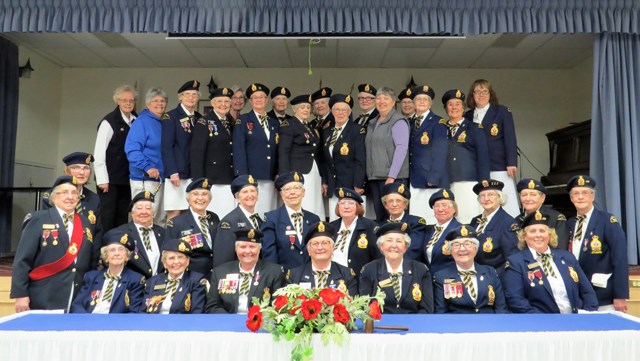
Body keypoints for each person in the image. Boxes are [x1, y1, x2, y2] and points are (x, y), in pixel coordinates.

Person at [11, 176, 97, 312]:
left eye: (74, 193)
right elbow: (22, 260)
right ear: (53, 197)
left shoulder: (85, 222)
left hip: (77, 295)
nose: (70, 197)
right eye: (65, 192)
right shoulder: (38, 219)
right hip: (44, 294)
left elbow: (89, 259)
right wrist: (21, 294)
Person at [503, 211, 598, 313]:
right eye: (533, 231)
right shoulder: (516, 262)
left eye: (542, 231)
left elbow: (587, 292)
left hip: (576, 319)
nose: (538, 235)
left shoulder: (567, 257)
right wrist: (545, 321)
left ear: (550, 235)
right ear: (524, 236)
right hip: (542, 324)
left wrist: (588, 314)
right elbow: (516, 300)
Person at [566, 175, 629, 312]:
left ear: (592, 197)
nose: (580, 197)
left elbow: (620, 259)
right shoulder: (570, 224)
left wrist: (620, 295)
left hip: (603, 294)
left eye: (585, 193)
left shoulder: (607, 221)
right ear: (571, 199)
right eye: (576, 194)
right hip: (578, 294)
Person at [465, 79, 519, 217]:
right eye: (477, 91)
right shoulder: (468, 116)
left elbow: (510, 138)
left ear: (490, 94)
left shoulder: (501, 111)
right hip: (475, 167)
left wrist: (511, 162)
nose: (481, 94)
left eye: (485, 91)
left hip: (498, 164)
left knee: (504, 201)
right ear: (472, 95)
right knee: (483, 201)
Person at [359, 222, 434, 313]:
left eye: (399, 241)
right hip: (381, 324)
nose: (394, 246)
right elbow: (364, 307)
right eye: (389, 241)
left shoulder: (421, 270)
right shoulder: (369, 270)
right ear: (381, 246)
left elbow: (427, 308)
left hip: (414, 324)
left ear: (405, 247)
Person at [41, 152, 103, 262]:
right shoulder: (52, 196)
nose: (81, 172)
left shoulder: (94, 198)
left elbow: (97, 232)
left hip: (85, 257)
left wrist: (94, 260)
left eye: (86, 168)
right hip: (58, 257)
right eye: (76, 167)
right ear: (66, 170)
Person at [206, 229, 286, 314]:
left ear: (259, 249)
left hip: (261, 323)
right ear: (236, 249)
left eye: (252, 247)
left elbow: (278, 306)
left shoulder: (274, 272)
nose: (247, 251)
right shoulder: (220, 272)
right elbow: (212, 306)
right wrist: (230, 320)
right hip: (228, 323)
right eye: (243, 247)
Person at [433, 225, 508, 313]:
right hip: (458, 325)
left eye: (467, 244)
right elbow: (441, 312)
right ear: (450, 250)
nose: (462, 249)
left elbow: (501, 307)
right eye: (456, 245)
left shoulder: (490, 272)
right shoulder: (441, 277)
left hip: (489, 324)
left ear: (475, 248)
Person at [70, 228, 145, 313]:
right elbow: (77, 305)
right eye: (112, 250)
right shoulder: (91, 277)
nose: (117, 253)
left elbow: (134, 312)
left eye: (121, 249)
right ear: (105, 256)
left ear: (127, 256)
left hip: (115, 324)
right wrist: (88, 321)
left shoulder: (136, 280)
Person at [442, 89, 490, 223]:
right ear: (446, 109)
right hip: (447, 181)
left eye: (457, 104)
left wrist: (484, 181)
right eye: (450, 104)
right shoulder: (440, 129)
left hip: (469, 181)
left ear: (463, 108)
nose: (454, 107)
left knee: (469, 218)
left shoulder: (475, 128)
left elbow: (483, 156)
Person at [94, 85, 137, 231]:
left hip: (126, 178)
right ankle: (104, 251)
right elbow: (99, 152)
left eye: (131, 100)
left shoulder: (136, 120)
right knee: (107, 217)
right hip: (109, 180)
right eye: (124, 100)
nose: (128, 103)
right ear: (117, 101)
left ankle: (119, 249)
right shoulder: (109, 121)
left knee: (122, 216)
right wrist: (102, 179)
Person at [233, 83, 279, 215]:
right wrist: (242, 175)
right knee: (252, 210)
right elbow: (239, 149)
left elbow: (276, 149)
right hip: (252, 175)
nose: (259, 100)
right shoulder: (243, 120)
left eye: (262, 97)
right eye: (255, 97)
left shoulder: (273, 122)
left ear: (267, 100)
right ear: (251, 101)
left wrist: (277, 172)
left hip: (270, 175)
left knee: (268, 209)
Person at [365, 86, 410, 222]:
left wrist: (391, 177)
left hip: (392, 179)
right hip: (375, 178)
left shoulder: (398, 121)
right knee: (381, 217)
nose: (381, 101)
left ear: (393, 101)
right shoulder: (373, 123)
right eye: (378, 98)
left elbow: (401, 149)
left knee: (394, 217)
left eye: (386, 98)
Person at [191, 86, 236, 217]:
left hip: (229, 176)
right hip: (212, 178)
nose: (223, 105)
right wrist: (199, 181)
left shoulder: (231, 122)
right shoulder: (204, 122)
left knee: (227, 214)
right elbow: (197, 153)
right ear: (213, 103)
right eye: (220, 101)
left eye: (227, 101)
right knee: (213, 215)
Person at [261, 171, 321, 271]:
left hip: (310, 277)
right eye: (287, 189)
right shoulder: (272, 218)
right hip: (284, 278)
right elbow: (269, 254)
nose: (292, 192)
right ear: (281, 194)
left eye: (296, 188)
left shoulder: (314, 219)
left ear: (303, 192)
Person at [278, 94, 325, 220]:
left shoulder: (310, 126)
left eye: (308, 108)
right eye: (302, 107)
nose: (306, 110)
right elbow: (283, 152)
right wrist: (284, 178)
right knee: (305, 201)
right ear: (294, 109)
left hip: (313, 170)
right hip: (298, 171)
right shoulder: (289, 125)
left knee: (314, 201)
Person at [125, 86, 167, 224]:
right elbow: (132, 149)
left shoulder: (163, 122)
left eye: (162, 101)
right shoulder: (142, 122)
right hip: (144, 178)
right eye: (155, 101)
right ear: (148, 104)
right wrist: (147, 167)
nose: (159, 104)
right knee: (143, 217)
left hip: (159, 179)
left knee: (159, 219)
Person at [407, 85, 448, 223]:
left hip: (429, 178)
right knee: (416, 216)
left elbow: (441, 152)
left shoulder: (438, 122)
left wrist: (434, 177)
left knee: (431, 216)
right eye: (418, 99)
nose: (422, 102)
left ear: (430, 103)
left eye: (425, 99)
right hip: (413, 177)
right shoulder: (409, 123)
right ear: (413, 103)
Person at [322, 93, 367, 220]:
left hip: (350, 183)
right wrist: (325, 181)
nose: (340, 112)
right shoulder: (327, 131)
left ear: (350, 111)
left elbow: (360, 159)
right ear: (332, 111)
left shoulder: (357, 130)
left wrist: (358, 184)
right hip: (332, 184)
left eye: (344, 110)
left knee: (350, 218)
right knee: (334, 219)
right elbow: (325, 160)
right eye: (337, 109)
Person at [162, 80, 202, 220]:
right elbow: (167, 147)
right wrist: (172, 171)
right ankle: (170, 242)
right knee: (175, 211)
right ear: (180, 97)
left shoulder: (199, 118)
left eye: (195, 95)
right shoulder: (171, 116)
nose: (191, 97)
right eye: (187, 94)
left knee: (192, 212)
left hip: (194, 173)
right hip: (177, 174)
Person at [165, 178, 220, 279]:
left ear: (209, 199)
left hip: (214, 275)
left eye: (204, 194)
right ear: (188, 199)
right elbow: (167, 253)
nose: (200, 198)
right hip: (190, 277)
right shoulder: (176, 223)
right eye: (195, 194)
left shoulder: (214, 218)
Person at [105, 191, 166, 279]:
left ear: (153, 213)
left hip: (159, 285)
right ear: (132, 213)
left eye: (148, 208)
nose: (144, 212)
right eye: (139, 208)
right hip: (132, 285)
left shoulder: (164, 233)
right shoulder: (119, 233)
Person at [286, 221, 358, 296]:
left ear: (332, 247)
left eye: (324, 243)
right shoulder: (294, 276)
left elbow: (353, 305)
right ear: (308, 250)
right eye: (315, 244)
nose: (320, 248)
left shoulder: (346, 274)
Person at [469, 179, 519, 276]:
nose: (486, 199)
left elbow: (511, 258)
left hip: (495, 278)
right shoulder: (475, 221)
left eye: (491, 195)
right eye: (482, 196)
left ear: (500, 198)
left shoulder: (508, 222)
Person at [143, 238, 207, 313]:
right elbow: (143, 311)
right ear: (164, 263)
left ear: (188, 261)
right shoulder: (152, 282)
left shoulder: (196, 281)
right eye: (171, 258)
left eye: (180, 257)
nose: (176, 262)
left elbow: (197, 313)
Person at [213, 175, 262, 268]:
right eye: (245, 192)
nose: (250, 195)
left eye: (253, 191)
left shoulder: (258, 219)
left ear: (257, 195)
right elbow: (223, 259)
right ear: (237, 197)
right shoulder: (228, 222)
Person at [329, 188, 380, 277]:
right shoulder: (331, 227)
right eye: (342, 203)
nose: (346, 207)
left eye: (351, 203)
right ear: (338, 206)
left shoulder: (370, 227)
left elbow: (378, 257)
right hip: (333, 278)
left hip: (359, 280)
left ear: (358, 207)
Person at [516, 178, 570, 250]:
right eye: (524, 195)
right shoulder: (516, 221)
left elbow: (560, 248)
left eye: (533, 195)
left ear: (542, 198)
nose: (528, 199)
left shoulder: (556, 219)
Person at [378, 182, 427, 261]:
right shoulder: (380, 225)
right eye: (390, 201)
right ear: (386, 205)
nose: (394, 204)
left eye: (398, 201)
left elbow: (413, 250)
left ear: (405, 204)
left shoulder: (416, 223)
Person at [420, 189, 461, 274]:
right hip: (429, 280)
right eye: (437, 206)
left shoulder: (460, 230)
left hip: (450, 280)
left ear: (454, 209)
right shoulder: (428, 230)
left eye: (444, 205)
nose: (440, 209)